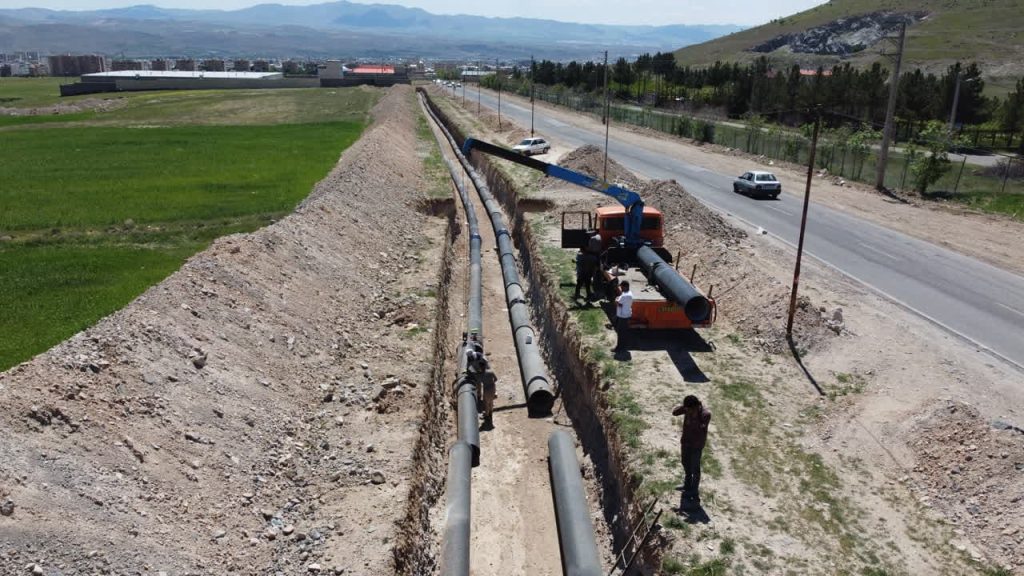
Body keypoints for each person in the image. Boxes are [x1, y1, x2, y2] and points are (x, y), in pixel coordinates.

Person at [672, 395, 711, 506]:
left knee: (695, 468)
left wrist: (694, 416)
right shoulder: (687, 409)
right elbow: (674, 413)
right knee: (685, 463)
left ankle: (694, 491)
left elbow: (700, 429)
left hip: (696, 445)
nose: (688, 411)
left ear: (695, 406)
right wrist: (684, 408)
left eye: (689, 409)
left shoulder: (705, 415)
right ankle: (687, 484)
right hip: (686, 442)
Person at [467, 348, 497, 428]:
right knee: (491, 401)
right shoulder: (490, 372)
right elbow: (496, 379)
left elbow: (477, 382)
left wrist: (474, 389)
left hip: (486, 390)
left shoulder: (481, 376)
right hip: (493, 388)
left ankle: (487, 416)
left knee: (486, 403)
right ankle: (491, 413)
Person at [613, 280, 633, 353]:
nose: (621, 288)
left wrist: (616, 300)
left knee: (621, 333)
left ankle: (619, 348)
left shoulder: (625, 296)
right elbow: (621, 302)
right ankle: (623, 347)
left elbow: (618, 303)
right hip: (625, 315)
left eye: (621, 287)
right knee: (624, 332)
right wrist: (618, 300)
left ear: (625, 287)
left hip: (623, 317)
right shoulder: (628, 293)